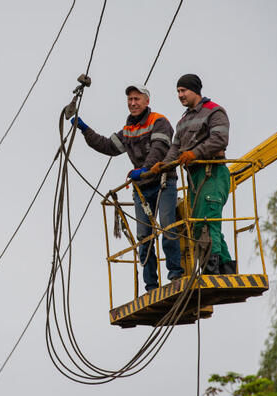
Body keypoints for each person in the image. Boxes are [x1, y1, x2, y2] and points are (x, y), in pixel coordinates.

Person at [70, 85, 184, 291]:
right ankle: (151, 285)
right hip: (142, 189)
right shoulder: (128, 129)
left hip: (163, 182)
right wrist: (84, 129)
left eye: (137, 99)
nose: (132, 103)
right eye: (130, 99)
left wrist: (145, 169)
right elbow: (107, 146)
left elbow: (159, 150)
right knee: (144, 236)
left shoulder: (159, 122)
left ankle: (176, 275)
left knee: (167, 226)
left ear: (147, 101)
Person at [151, 74, 236, 275]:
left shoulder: (214, 111)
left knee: (207, 222)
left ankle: (210, 270)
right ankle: (226, 269)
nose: (180, 95)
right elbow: (176, 147)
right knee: (199, 222)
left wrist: (194, 153)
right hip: (194, 176)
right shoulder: (183, 121)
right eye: (178, 91)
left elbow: (220, 139)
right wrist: (164, 165)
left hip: (212, 172)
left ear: (195, 90)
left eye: (183, 91)